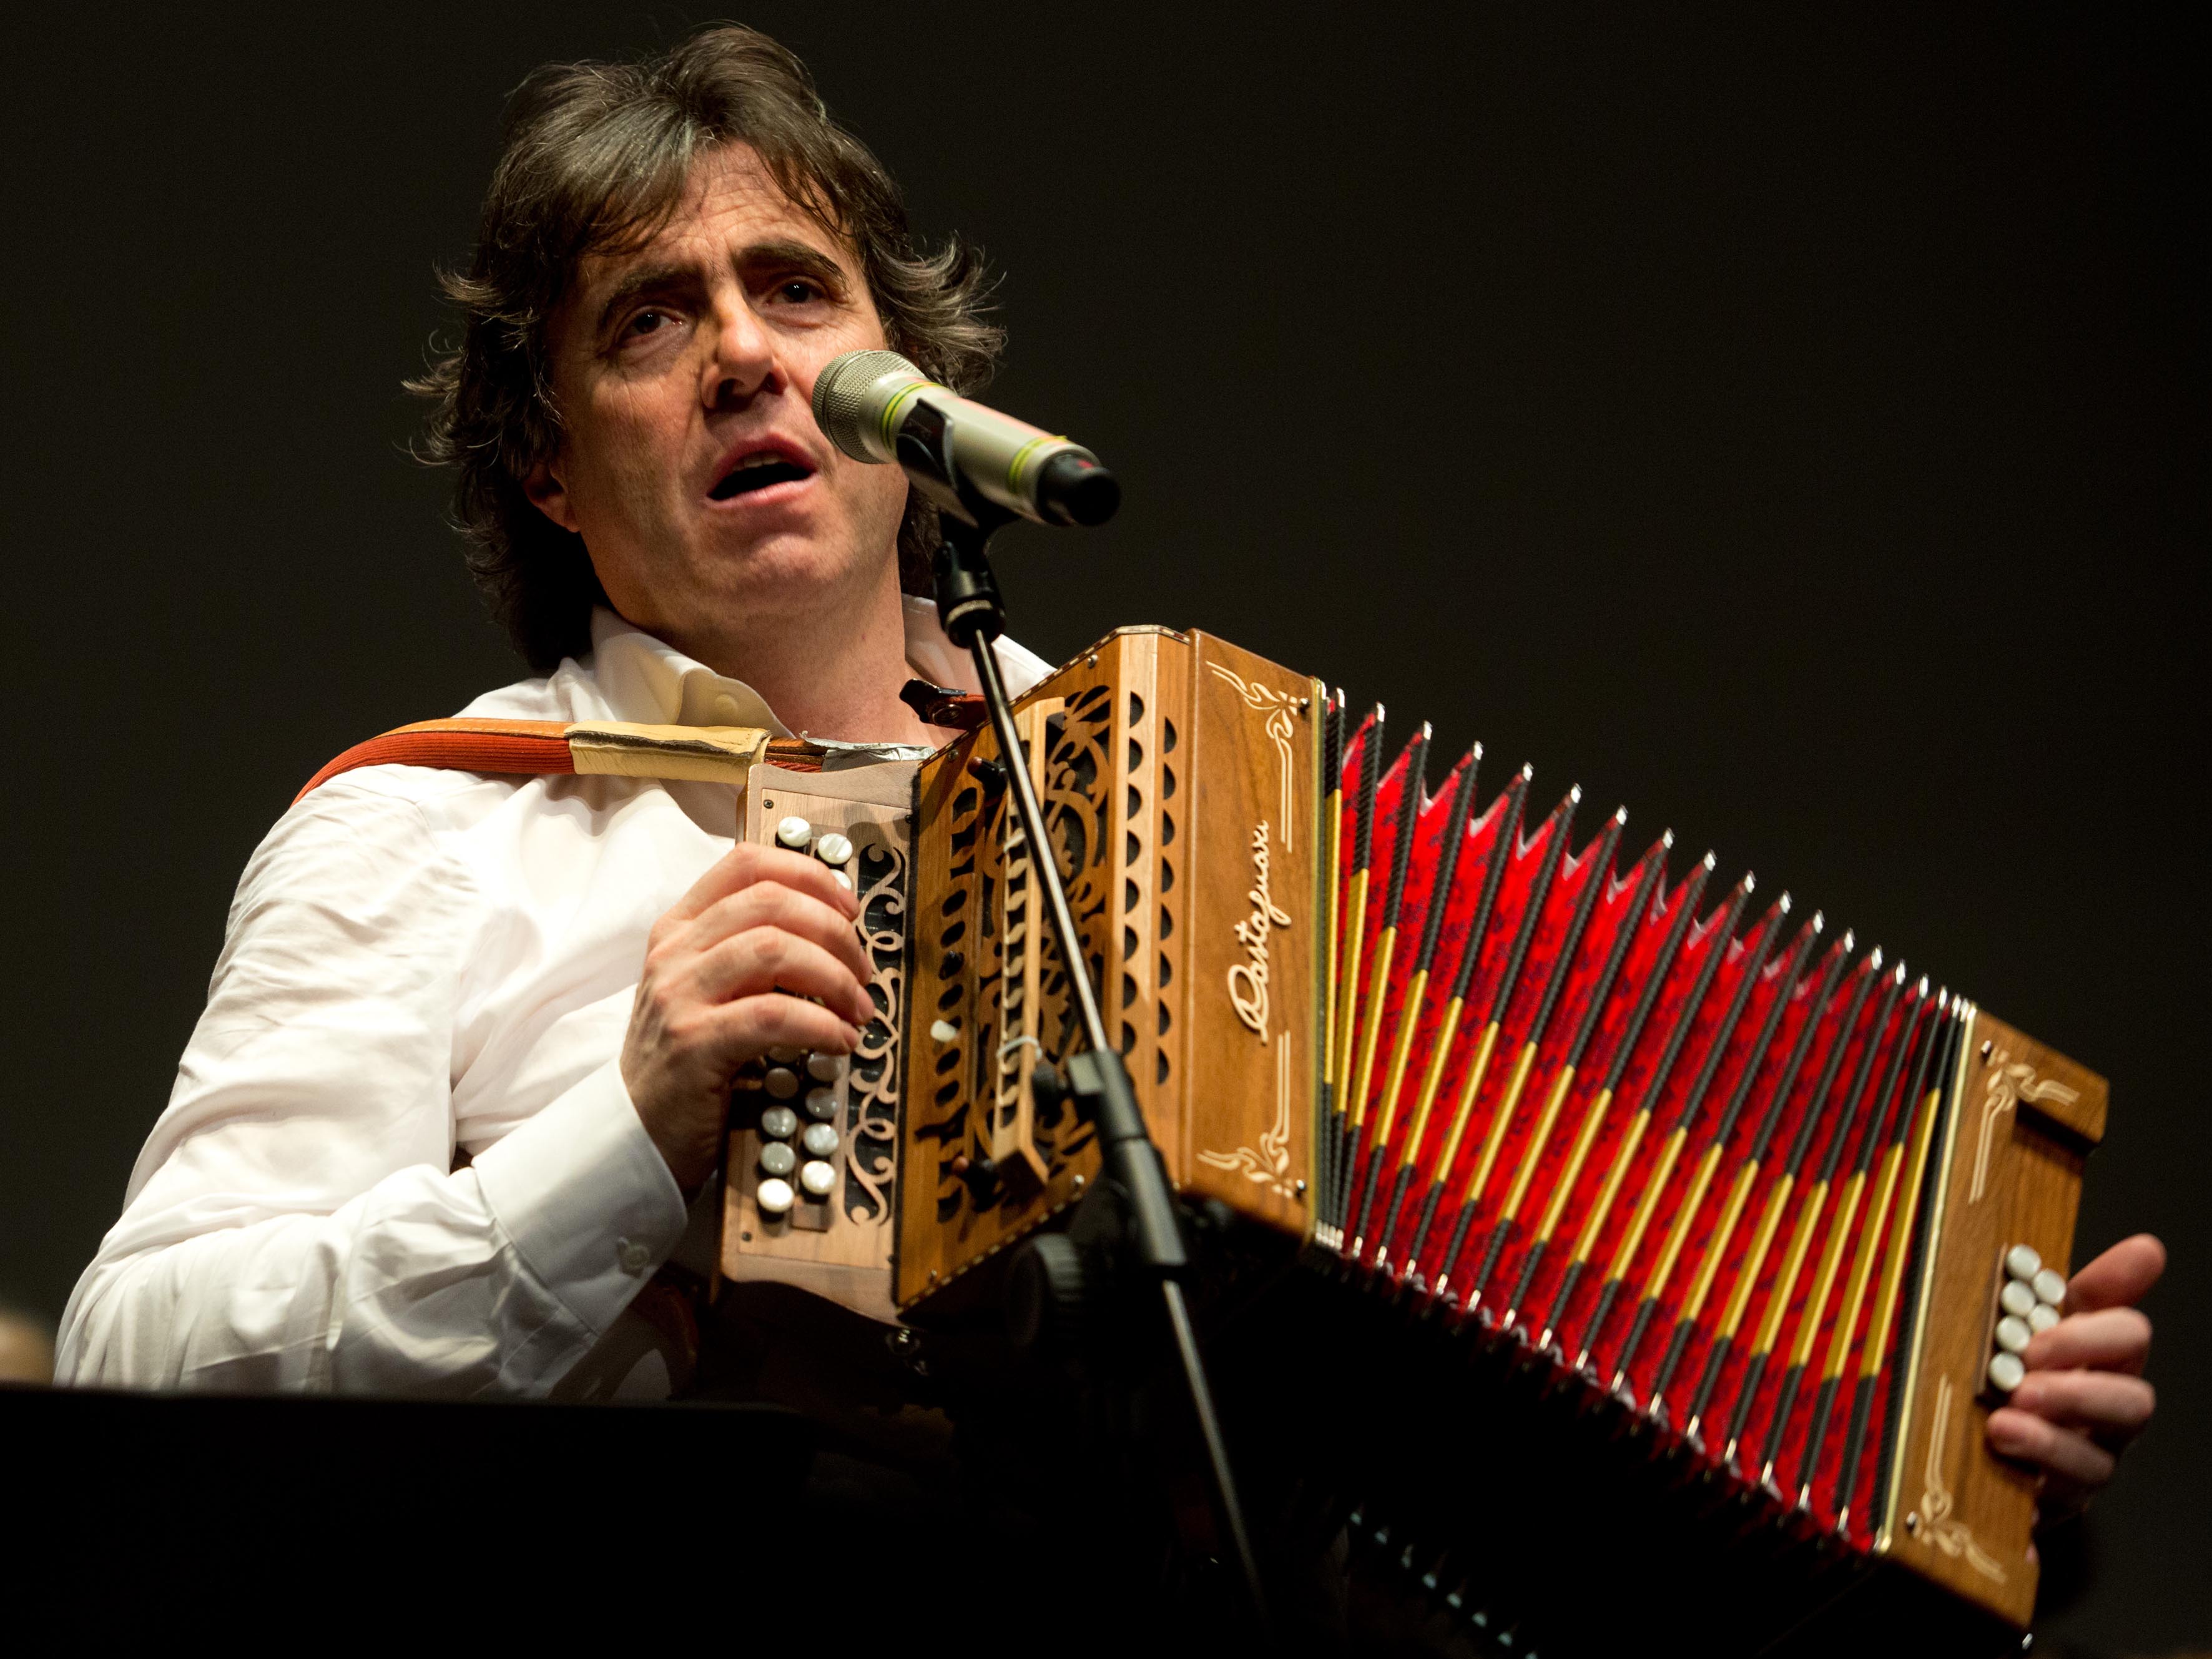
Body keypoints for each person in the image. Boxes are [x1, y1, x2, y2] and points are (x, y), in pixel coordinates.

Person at [57, 21, 2156, 1535]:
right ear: (548, 464)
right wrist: (622, 1137)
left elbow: (1473, 1382)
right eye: (651, 322)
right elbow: (138, 1362)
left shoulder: (1187, 818)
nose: (748, 352)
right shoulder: (436, 825)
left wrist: (1940, 1440)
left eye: (796, 289)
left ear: (904, 383)